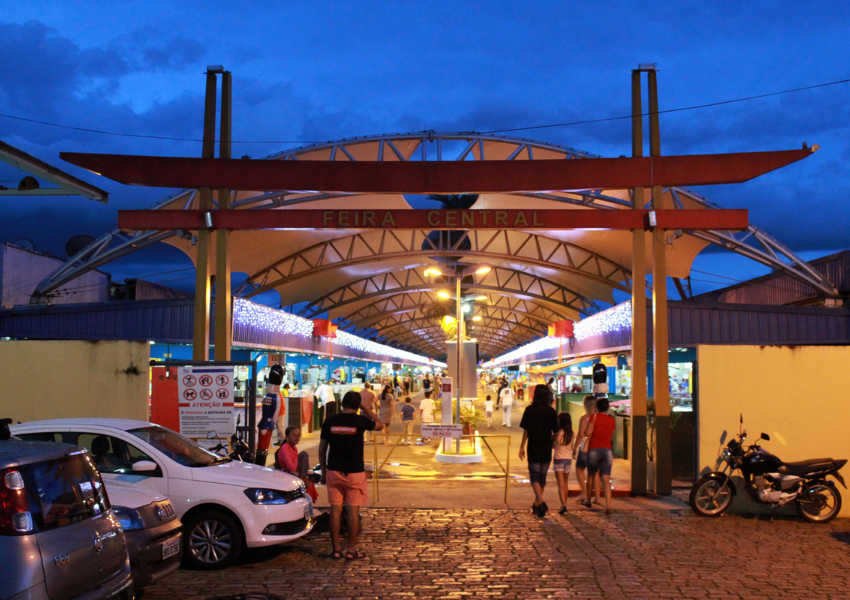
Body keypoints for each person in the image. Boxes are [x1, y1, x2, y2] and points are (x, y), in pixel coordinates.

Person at [319, 391, 383, 560]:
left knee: (335, 511)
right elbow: (380, 424)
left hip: (334, 471)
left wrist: (324, 473)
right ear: (357, 405)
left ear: (342, 404)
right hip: (355, 472)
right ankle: (351, 550)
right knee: (353, 513)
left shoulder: (330, 421)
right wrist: (365, 408)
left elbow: (322, 449)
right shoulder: (361, 421)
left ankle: (336, 549)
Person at [519, 384, 559, 517]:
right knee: (542, 478)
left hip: (534, 446)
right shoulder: (552, 412)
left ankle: (541, 502)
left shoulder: (530, 410)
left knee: (534, 477)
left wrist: (521, 447)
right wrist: (552, 441)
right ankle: (537, 504)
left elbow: (526, 430)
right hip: (546, 447)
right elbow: (556, 432)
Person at [583, 397, 615, 513]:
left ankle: (588, 500)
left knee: (591, 475)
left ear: (597, 407)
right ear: (607, 408)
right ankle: (608, 506)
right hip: (607, 450)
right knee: (606, 479)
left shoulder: (593, 417)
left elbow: (587, 432)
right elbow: (612, 437)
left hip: (594, 449)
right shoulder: (611, 420)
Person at [274, 426, 318, 501]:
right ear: (287, 436)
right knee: (303, 454)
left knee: (316, 476)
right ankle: (303, 479)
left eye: (298, 436)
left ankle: (303, 477)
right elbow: (292, 468)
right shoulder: (285, 448)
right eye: (294, 435)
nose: (296, 438)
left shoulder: (294, 448)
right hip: (288, 474)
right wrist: (297, 459)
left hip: (296, 473)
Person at [572, 395, 600, 506]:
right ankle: (597, 497)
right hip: (597, 448)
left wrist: (574, 448)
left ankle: (584, 493)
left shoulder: (585, 418)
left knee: (579, 469)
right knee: (596, 473)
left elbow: (580, 434)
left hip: (586, 448)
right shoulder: (600, 417)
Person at [553, 413, 574, 514]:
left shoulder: (558, 433)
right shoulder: (571, 434)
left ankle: (563, 504)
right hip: (568, 459)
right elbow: (572, 447)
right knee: (565, 482)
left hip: (558, 459)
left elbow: (553, 444)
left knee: (560, 483)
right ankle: (565, 503)